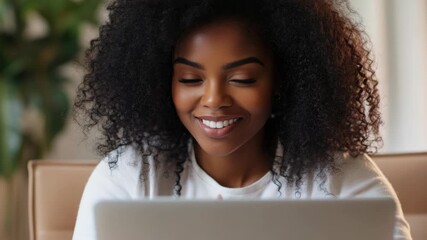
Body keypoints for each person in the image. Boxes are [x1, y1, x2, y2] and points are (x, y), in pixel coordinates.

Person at [72, 0, 412, 239]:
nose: (214, 100)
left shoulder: (341, 180)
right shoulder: (129, 177)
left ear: (281, 81)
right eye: (191, 79)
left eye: (243, 79)